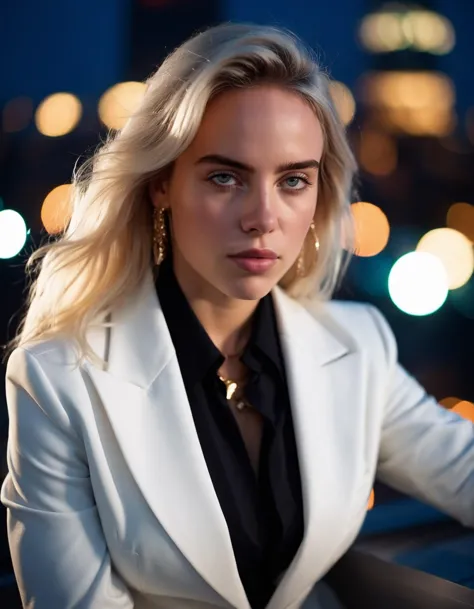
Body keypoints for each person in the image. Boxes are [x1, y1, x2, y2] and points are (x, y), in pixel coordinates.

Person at [1, 22, 473, 609]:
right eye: (226, 176)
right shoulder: (58, 379)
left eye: (293, 180)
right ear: (161, 185)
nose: (263, 217)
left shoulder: (357, 343)